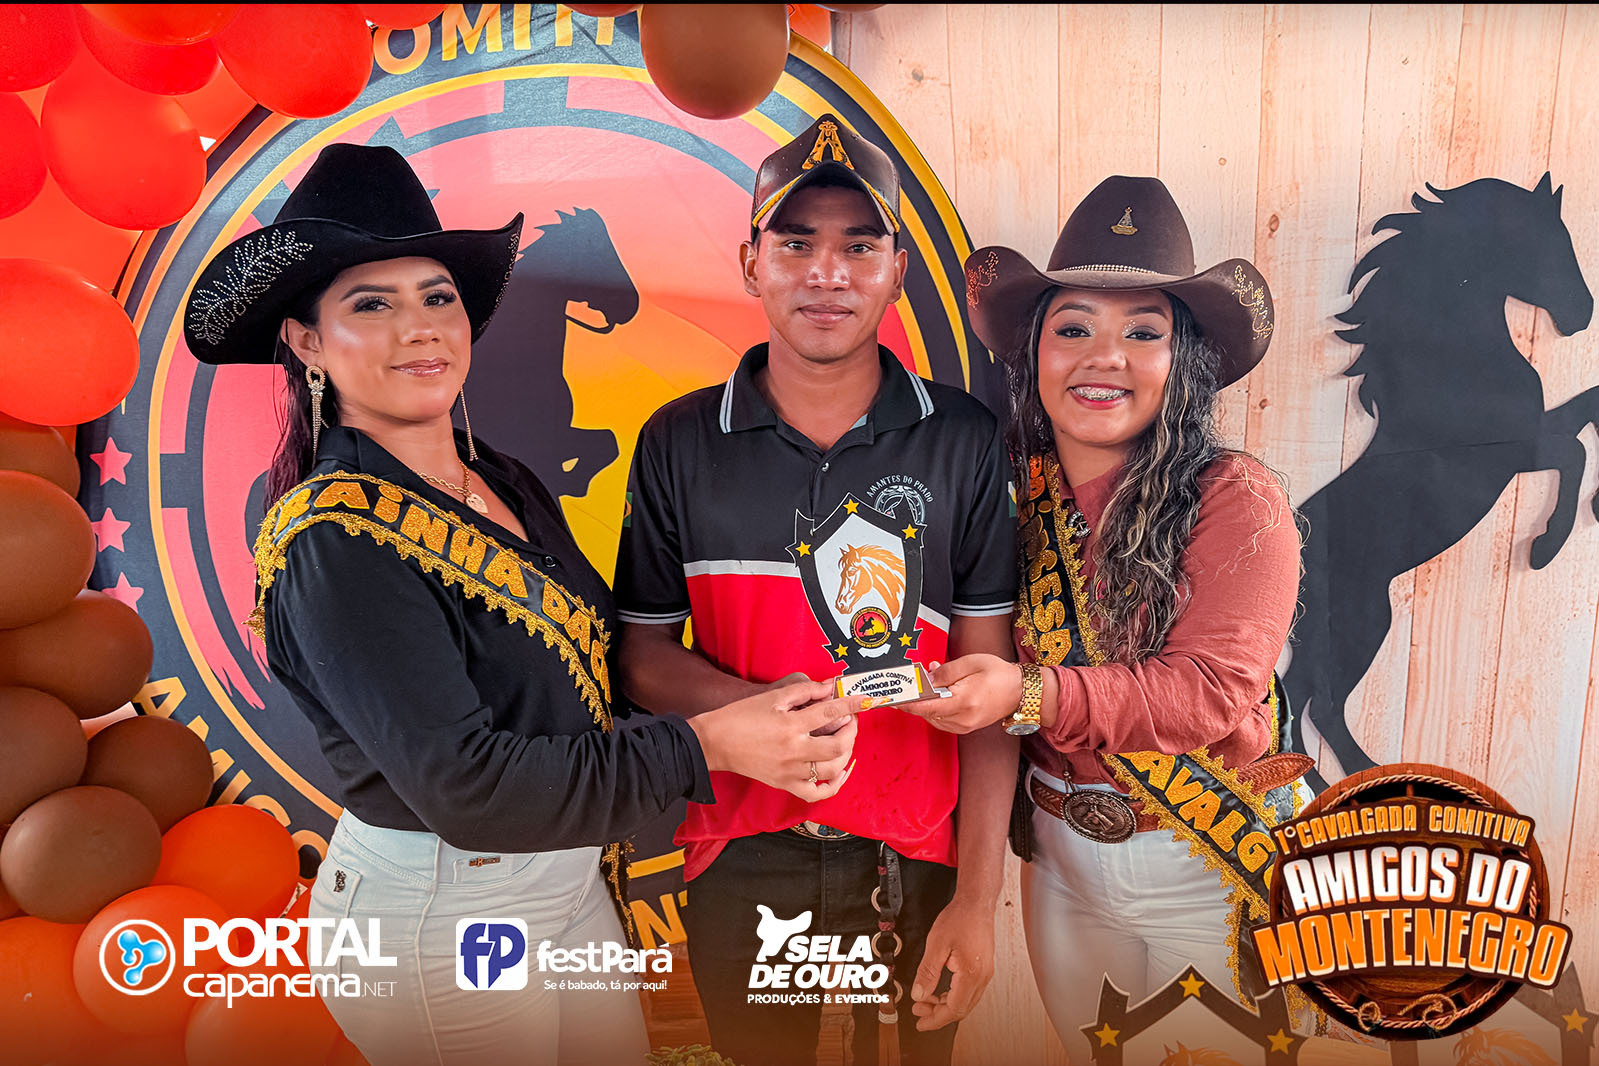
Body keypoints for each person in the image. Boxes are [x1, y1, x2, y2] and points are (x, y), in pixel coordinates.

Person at [182, 143, 864, 1066]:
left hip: (562, 879)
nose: (419, 329)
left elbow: (593, 659)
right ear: (307, 341)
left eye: (436, 298)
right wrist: (710, 745)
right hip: (441, 912)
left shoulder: (497, 477)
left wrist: (746, 704)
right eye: (371, 305)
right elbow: (469, 789)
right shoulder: (333, 539)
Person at [613, 115, 1018, 1066]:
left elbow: (991, 685)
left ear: (897, 271)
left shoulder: (962, 436)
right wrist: (762, 718)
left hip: (915, 857)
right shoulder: (678, 439)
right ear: (750, 263)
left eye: (858, 246)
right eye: (795, 244)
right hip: (738, 848)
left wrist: (976, 899)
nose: (826, 273)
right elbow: (640, 654)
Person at [928, 176, 1313, 1038]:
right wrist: (974, 894)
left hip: (1206, 855)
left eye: (1143, 332)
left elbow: (1207, 693)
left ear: (1183, 364)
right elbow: (980, 709)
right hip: (1059, 852)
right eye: (1073, 329)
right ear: (1033, 353)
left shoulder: (1235, 497)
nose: (1104, 357)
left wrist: (1026, 692)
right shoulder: (1002, 495)